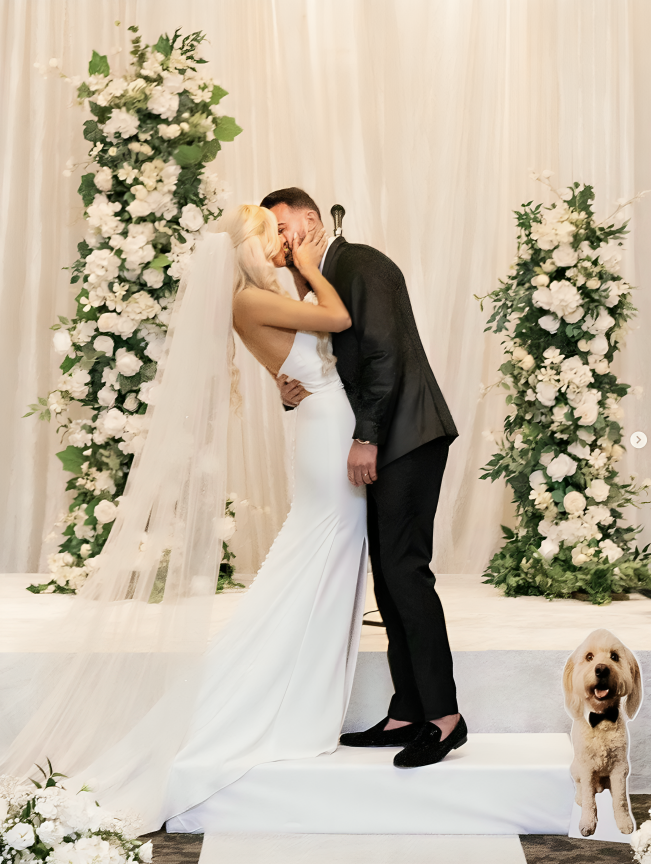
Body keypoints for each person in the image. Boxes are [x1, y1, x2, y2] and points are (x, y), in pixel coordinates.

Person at [260, 187, 466, 768]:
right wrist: (290, 385)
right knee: (389, 579)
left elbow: (383, 355)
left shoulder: (361, 263)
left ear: (310, 220)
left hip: (406, 437)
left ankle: (446, 717)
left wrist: (367, 436)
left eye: (284, 227)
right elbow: (331, 365)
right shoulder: (321, 277)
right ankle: (407, 710)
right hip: (385, 437)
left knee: (406, 574)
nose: (280, 241)